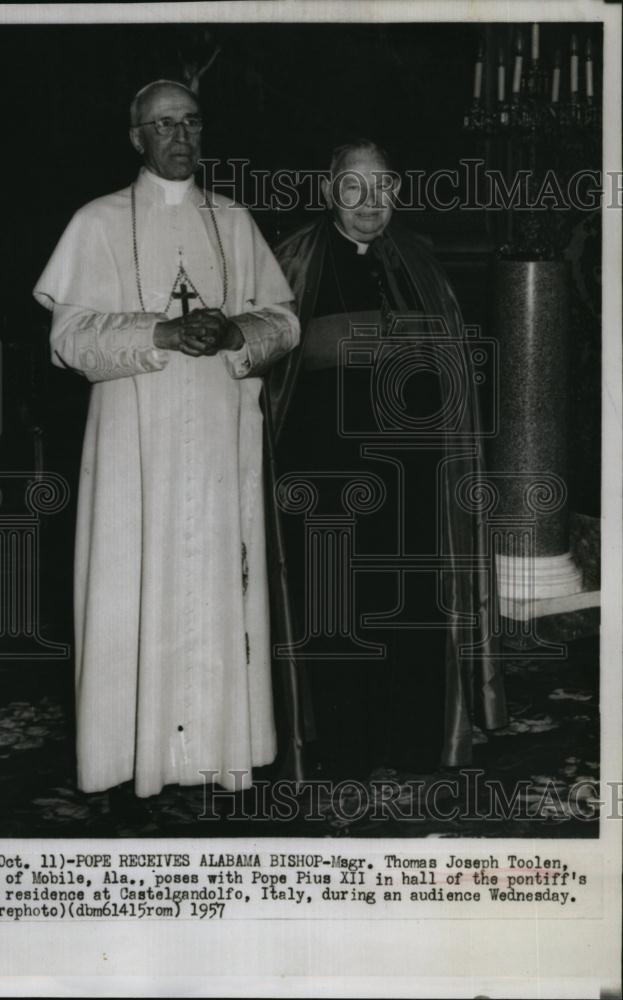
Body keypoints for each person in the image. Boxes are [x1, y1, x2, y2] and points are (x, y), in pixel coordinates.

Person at [33, 80, 299, 798]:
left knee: (216, 584)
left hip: (219, 437)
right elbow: (70, 341)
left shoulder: (234, 221)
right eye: (162, 126)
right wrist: (161, 332)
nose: (179, 137)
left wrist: (237, 329)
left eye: (190, 123)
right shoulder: (96, 222)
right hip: (132, 444)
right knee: (133, 586)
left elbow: (283, 319)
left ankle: (217, 752)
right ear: (136, 138)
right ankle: (131, 756)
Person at [268, 139, 507, 779]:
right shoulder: (289, 261)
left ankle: (411, 742)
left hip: (414, 474)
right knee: (335, 603)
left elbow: (454, 370)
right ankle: (341, 750)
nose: (370, 203)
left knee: (409, 601)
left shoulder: (423, 263)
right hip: (324, 475)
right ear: (329, 191)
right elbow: (271, 379)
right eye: (354, 187)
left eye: (382, 188)